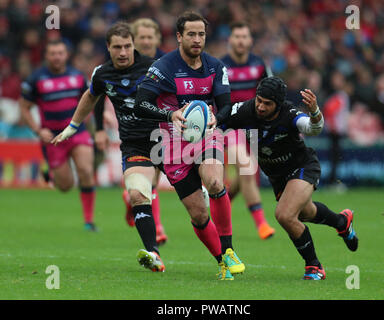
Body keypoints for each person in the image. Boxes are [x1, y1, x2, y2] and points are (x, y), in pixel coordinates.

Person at [51, 22, 186, 272]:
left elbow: (178, 94)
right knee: (139, 194)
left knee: (196, 206)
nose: (123, 52)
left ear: (133, 45)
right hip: (135, 146)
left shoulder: (154, 68)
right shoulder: (102, 74)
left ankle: (224, 253)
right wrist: (73, 126)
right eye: (117, 47)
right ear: (108, 48)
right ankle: (153, 252)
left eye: (127, 46)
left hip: (167, 141)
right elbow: (92, 96)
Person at [137, 11, 245, 280]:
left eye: (201, 34)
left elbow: (226, 106)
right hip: (172, 144)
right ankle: (222, 261)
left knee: (215, 182)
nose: (197, 39)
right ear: (179, 37)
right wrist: (169, 114)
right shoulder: (163, 67)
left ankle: (229, 250)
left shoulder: (216, 67)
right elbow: (141, 103)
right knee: (198, 213)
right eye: (191, 34)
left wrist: (214, 121)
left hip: (207, 135)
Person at [224, 76, 358, 280]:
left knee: (285, 215)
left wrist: (314, 112)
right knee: (305, 213)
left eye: (267, 104)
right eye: (259, 100)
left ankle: (314, 266)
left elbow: (314, 128)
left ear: (278, 104)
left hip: (302, 167)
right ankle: (341, 221)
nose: (260, 106)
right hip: (278, 176)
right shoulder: (245, 110)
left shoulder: (289, 114)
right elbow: (220, 119)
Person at [94, 18, 168, 246]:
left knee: (151, 180)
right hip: (135, 137)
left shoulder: (163, 64)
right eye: (142, 37)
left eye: (149, 37)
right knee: (149, 180)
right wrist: (99, 128)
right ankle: (155, 225)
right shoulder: (109, 68)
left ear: (156, 39)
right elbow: (96, 95)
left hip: (161, 132)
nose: (145, 41)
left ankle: (133, 202)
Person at [19, 39, 97, 231]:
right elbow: (24, 107)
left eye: (60, 53)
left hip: (76, 132)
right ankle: (50, 173)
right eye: (53, 53)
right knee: (65, 186)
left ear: (66, 55)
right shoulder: (36, 79)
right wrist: (38, 130)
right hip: (53, 139)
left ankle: (89, 221)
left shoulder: (77, 77)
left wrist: (87, 119)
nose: (57, 57)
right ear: (47, 56)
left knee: (86, 171)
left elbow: (90, 99)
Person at [220, 21, 275, 240]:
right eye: (237, 36)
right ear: (230, 40)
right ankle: (261, 223)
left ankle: (219, 207)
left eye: (244, 37)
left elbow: (272, 94)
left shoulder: (259, 65)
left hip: (255, 129)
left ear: (250, 41)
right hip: (229, 126)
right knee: (245, 166)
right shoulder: (220, 66)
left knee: (245, 177)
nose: (241, 41)